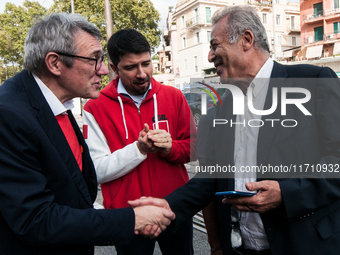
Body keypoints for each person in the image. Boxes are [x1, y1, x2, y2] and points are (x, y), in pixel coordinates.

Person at [129, 5, 340, 255]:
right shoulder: (225, 105)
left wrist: (286, 193)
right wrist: (167, 205)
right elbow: (214, 177)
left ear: (246, 40)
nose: (210, 56)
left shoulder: (314, 82)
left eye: (215, 45)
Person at [0, 13, 175, 255]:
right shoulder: (9, 115)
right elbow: (36, 219)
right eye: (94, 59)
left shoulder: (57, 103)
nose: (103, 70)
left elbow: (72, 193)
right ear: (55, 63)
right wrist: (130, 219)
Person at [82, 29, 197, 255]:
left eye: (146, 63)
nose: (142, 73)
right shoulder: (94, 108)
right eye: (131, 67)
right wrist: (139, 149)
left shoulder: (174, 97)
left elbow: (194, 150)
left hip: (175, 208)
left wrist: (170, 148)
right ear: (114, 68)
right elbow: (96, 170)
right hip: (128, 216)